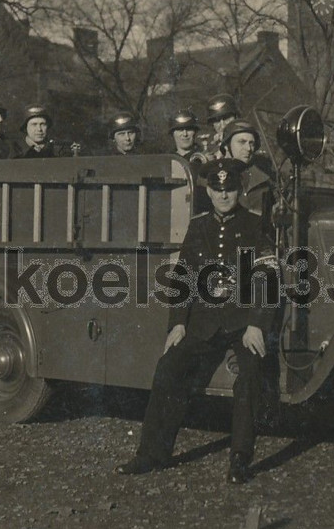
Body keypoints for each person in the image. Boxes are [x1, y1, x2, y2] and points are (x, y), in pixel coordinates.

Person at [115, 158, 279, 485]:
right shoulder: (199, 226)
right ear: (208, 190)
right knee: (169, 367)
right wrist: (177, 323)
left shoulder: (256, 224)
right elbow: (184, 277)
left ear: (240, 190)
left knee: (249, 376)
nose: (223, 196)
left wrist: (257, 324)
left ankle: (240, 458)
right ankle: (152, 454)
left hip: (241, 321)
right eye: (218, 190)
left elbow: (266, 277)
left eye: (230, 190)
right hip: (204, 322)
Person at [219, 119, 275, 222]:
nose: (248, 148)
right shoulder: (212, 176)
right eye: (242, 142)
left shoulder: (264, 179)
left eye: (251, 143)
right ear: (227, 146)